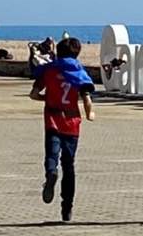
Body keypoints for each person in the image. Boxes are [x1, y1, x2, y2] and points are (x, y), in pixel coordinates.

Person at [30, 37, 95, 223]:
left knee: (51, 154)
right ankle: (67, 208)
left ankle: (51, 173)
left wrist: (47, 98)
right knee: (69, 165)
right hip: (72, 121)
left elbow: (34, 94)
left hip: (52, 118)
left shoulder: (49, 70)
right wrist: (90, 114)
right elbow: (87, 98)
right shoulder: (79, 72)